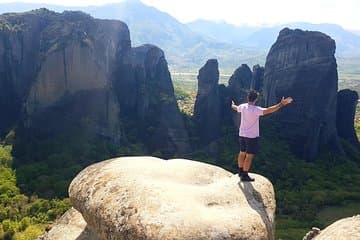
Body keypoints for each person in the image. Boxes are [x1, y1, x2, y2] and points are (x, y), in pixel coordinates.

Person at [231, 90, 293, 181]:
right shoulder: (256, 110)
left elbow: (235, 107)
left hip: (242, 134)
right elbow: (269, 110)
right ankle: (244, 175)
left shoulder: (243, 107)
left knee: (242, 152)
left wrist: (232, 104)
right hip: (251, 136)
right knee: (249, 155)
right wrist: (281, 104)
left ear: (248, 98)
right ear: (256, 99)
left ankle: (240, 171)